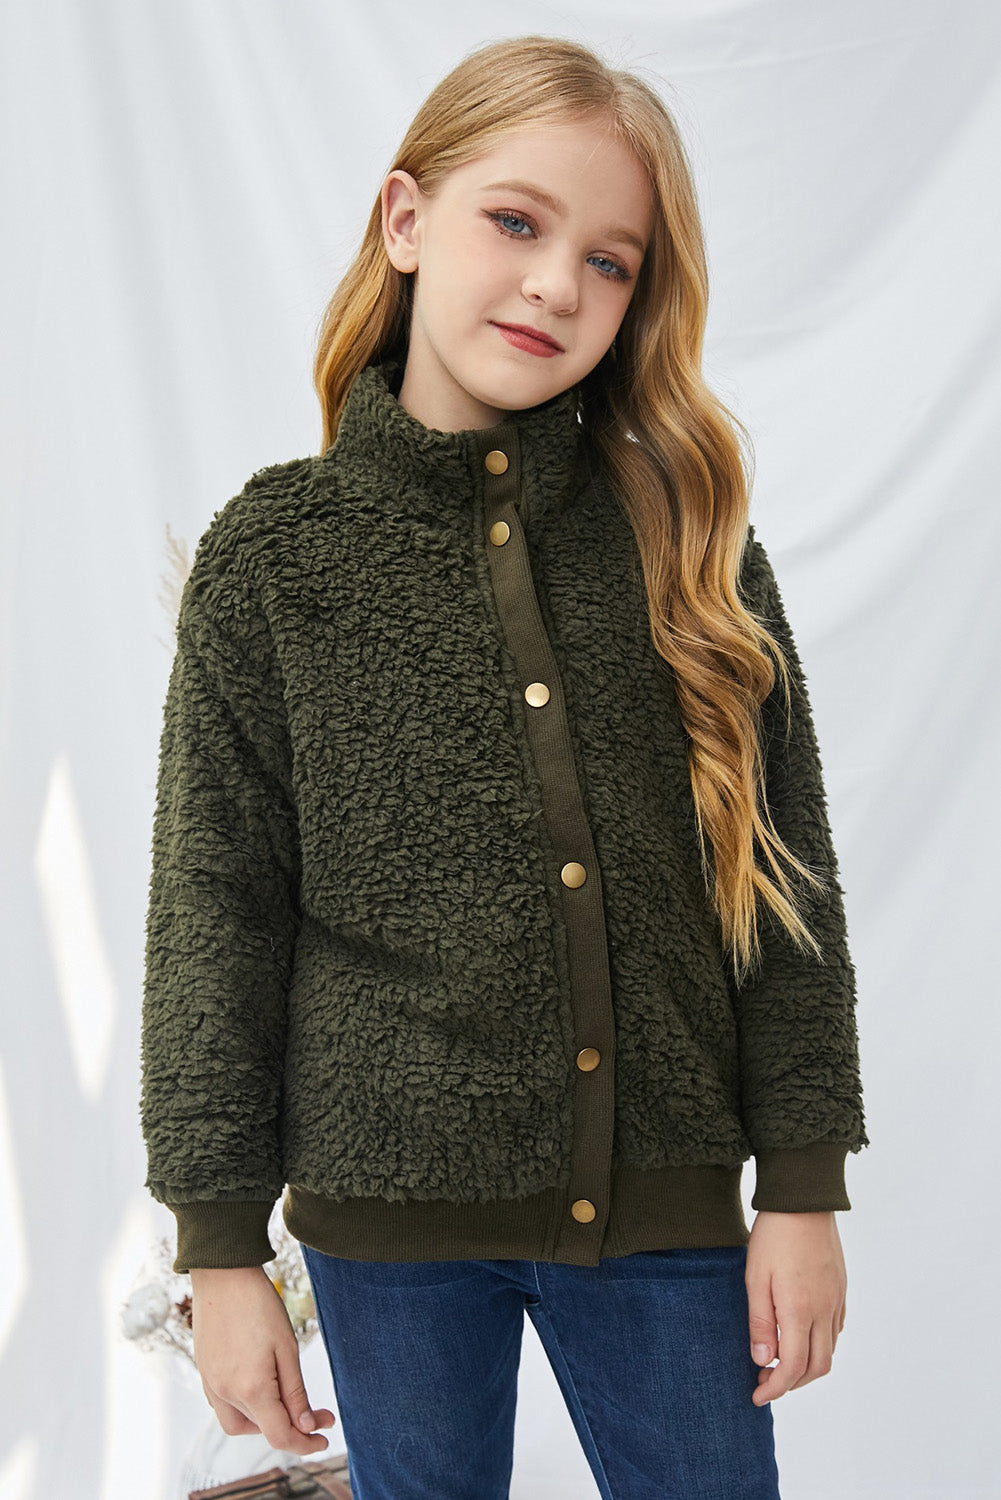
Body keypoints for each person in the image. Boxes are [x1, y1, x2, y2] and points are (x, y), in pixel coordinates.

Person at [140, 33, 869, 1500]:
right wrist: (218, 1250)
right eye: (516, 223)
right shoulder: (275, 557)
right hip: (383, 1223)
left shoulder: (687, 543)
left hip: (664, 1208)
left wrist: (802, 1187)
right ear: (406, 220)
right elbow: (214, 916)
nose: (554, 286)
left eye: (608, 262)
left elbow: (784, 886)